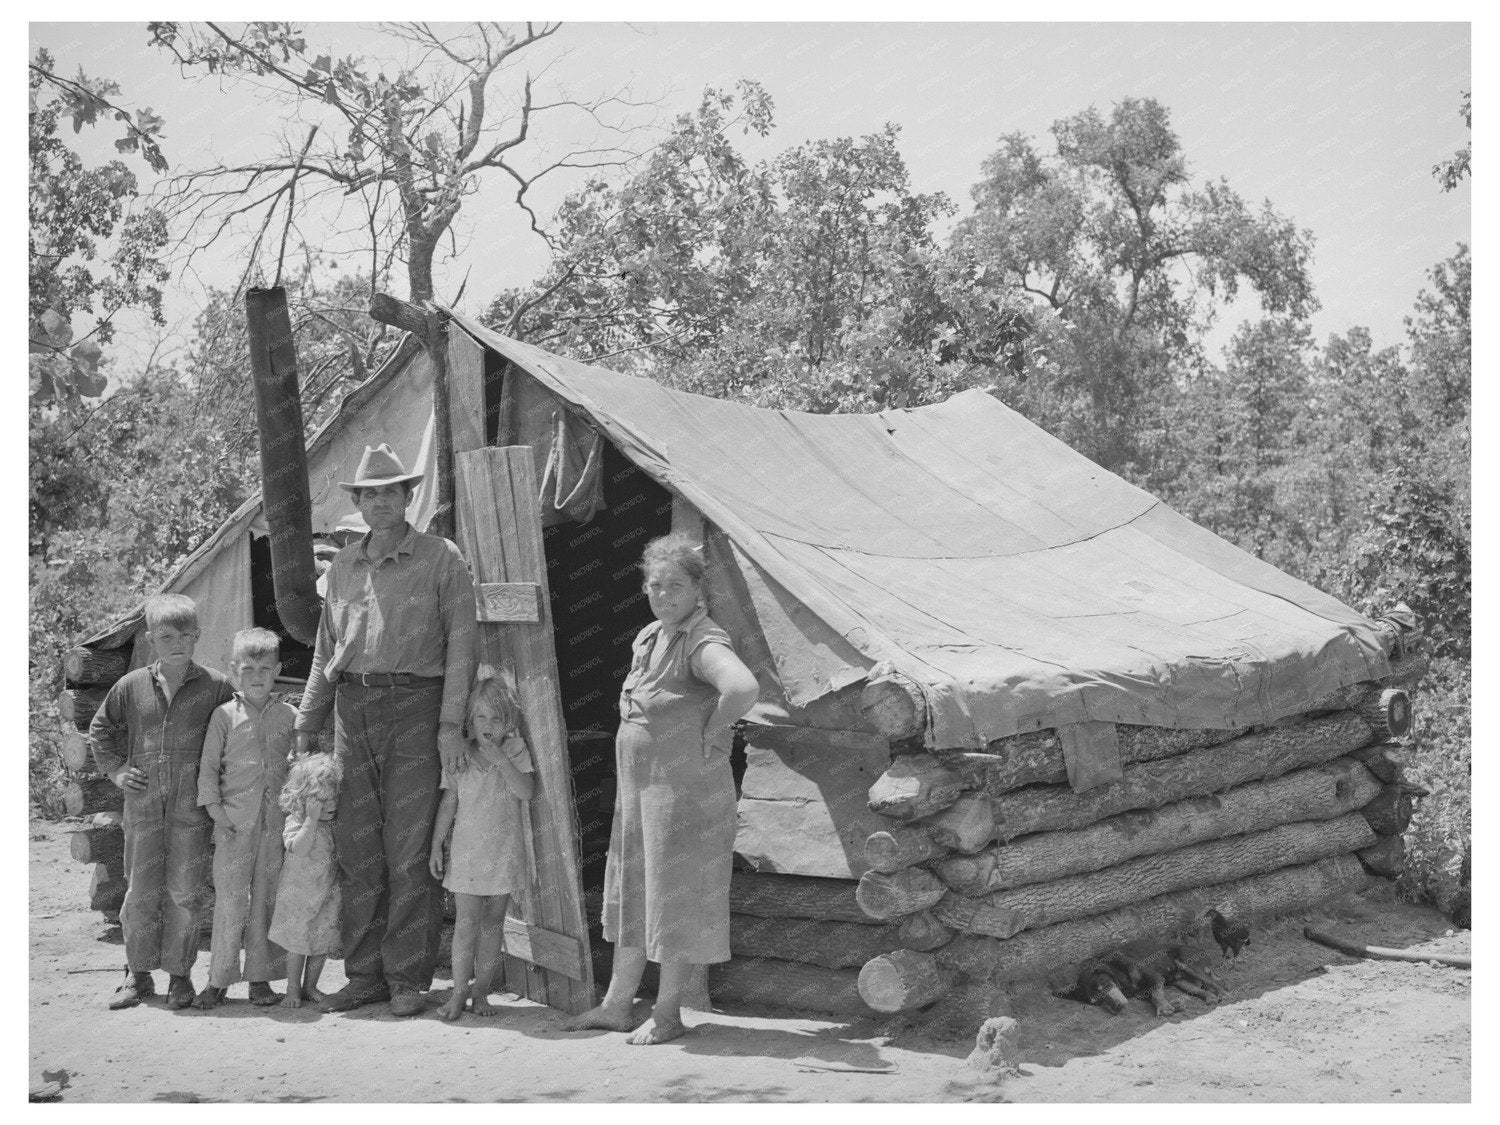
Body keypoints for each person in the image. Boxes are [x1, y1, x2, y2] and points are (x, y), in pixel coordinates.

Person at [292, 443, 477, 1017]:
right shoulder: (344, 566)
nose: (379, 503)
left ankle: (407, 980)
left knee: (409, 848)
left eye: (390, 493)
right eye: (369, 495)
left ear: (408, 498)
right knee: (357, 848)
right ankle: (365, 973)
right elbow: (327, 651)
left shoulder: (442, 559)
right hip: (353, 713)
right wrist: (307, 724)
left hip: (417, 711)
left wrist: (450, 723)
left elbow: (464, 649)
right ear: (358, 503)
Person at [563, 533, 760, 1045]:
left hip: (683, 794)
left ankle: (669, 1012)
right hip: (642, 795)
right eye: (654, 585)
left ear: (697, 588)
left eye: (674, 585)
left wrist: (713, 733)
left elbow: (742, 689)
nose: (663, 594)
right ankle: (615, 1005)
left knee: (673, 898)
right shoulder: (651, 635)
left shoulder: (703, 640)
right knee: (634, 891)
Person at [89, 594, 234, 1010]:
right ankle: (137, 975)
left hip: (192, 808)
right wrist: (117, 771)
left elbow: (232, 739)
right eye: (166, 636)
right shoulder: (131, 686)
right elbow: (100, 730)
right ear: (151, 638)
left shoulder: (216, 685)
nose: (177, 644)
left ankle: (180, 976)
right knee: (140, 891)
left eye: (185, 636)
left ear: (197, 636)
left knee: (185, 892)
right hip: (144, 808)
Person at [193, 628, 295, 1009]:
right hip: (234, 825)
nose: (256, 675)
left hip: (274, 827)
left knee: (264, 901)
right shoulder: (224, 716)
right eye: (248, 668)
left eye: (265, 668)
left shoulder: (289, 715)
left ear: (278, 670)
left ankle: (260, 979)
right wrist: (218, 814)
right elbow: (207, 769)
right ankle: (218, 980)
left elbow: (298, 770)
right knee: (231, 902)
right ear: (235, 670)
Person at [429, 675, 536, 1022]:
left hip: (503, 851)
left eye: (496, 719)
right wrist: (435, 846)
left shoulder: (516, 750)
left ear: (509, 723)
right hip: (467, 852)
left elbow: (526, 792)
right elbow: (449, 802)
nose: (487, 726)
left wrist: (502, 759)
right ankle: (458, 993)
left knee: (493, 924)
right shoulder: (460, 755)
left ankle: (481, 992)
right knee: (465, 923)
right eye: (480, 718)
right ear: (469, 721)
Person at [268, 751, 343, 1009]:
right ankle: (292, 989)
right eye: (321, 799)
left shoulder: (333, 822)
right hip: (298, 895)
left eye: (334, 796)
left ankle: (310, 985)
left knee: (322, 940)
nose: (330, 803)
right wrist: (311, 819)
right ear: (303, 799)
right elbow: (298, 849)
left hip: (327, 892)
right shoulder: (298, 820)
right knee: (297, 942)